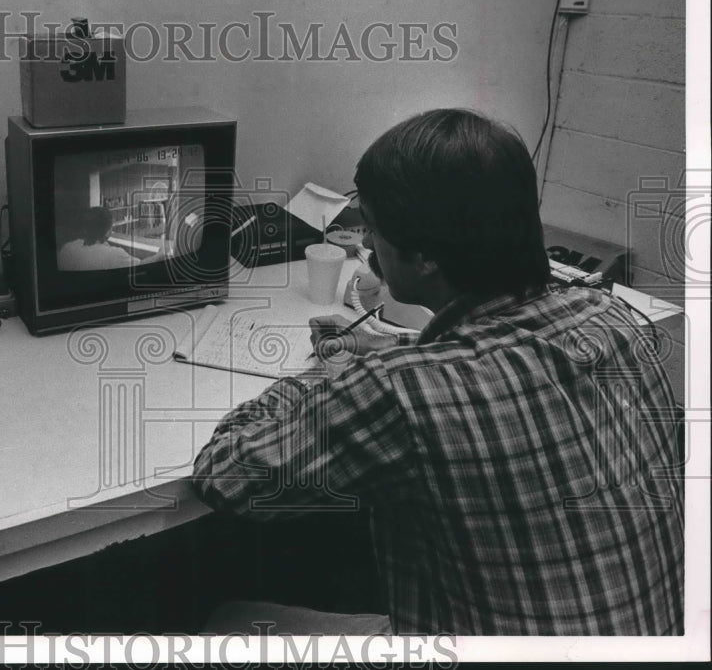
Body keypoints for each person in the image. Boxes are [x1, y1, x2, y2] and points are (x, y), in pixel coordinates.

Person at [193, 109, 684, 635]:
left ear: (424, 256)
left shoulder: (398, 391)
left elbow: (227, 477)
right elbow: (509, 357)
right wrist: (389, 348)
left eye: (374, 230)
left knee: (228, 620)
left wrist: (323, 376)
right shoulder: (617, 318)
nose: (367, 247)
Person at [57, 206, 168, 271]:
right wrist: (160, 254)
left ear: (85, 228)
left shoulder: (66, 248)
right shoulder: (114, 255)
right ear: (108, 232)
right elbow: (141, 266)